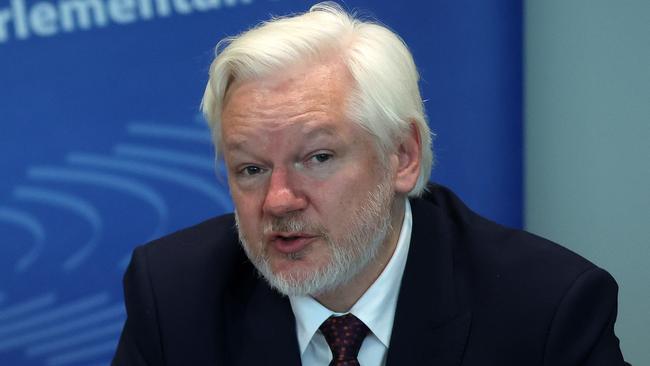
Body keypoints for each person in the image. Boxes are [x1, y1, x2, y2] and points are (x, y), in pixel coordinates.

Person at [112, 2, 628, 365]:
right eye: (251, 169)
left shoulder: (545, 308)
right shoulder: (175, 296)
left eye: (317, 157)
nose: (279, 200)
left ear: (403, 156)